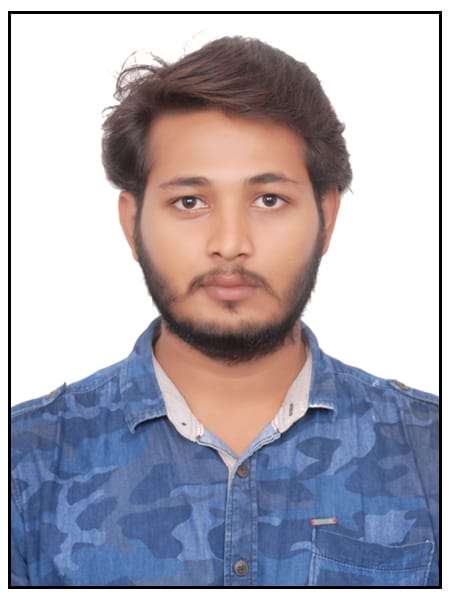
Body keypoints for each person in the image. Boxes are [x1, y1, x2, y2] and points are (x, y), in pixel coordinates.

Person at [11, 36, 438, 587]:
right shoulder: (23, 463)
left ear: (326, 218)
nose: (231, 243)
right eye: (189, 202)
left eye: (269, 200)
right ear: (132, 223)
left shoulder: (431, 449)